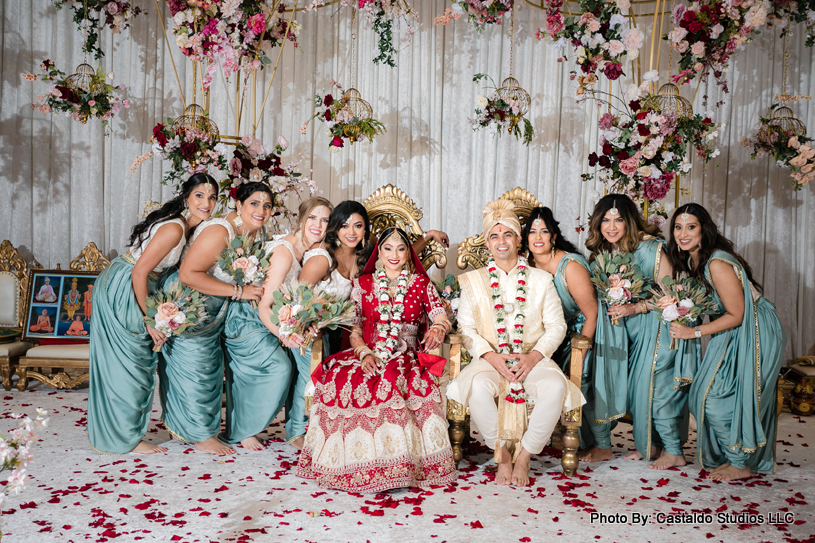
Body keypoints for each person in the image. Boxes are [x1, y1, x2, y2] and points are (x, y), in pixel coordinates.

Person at [296, 227, 456, 492]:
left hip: (407, 354)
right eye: (388, 248)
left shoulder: (421, 284)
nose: (394, 254)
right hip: (367, 351)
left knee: (392, 379)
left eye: (401, 248)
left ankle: (395, 467)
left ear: (408, 253)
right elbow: (355, 329)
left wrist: (439, 328)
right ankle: (354, 465)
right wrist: (364, 353)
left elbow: (440, 316)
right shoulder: (362, 284)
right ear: (379, 251)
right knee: (343, 377)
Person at [447, 200, 584, 487]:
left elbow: (557, 325)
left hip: (531, 359)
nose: (501, 241)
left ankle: (524, 456)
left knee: (556, 386)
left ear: (518, 240)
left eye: (507, 234)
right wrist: (490, 357)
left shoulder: (541, 279)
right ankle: (503, 457)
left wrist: (533, 357)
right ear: (487, 242)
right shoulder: (472, 281)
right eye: (494, 236)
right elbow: (467, 328)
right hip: (489, 361)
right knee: (477, 388)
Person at [87, 173, 218, 455]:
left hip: (139, 284)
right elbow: (139, 270)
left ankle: (122, 431)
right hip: (125, 286)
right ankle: (123, 438)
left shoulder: (191, 229)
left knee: (136, 362)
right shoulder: (175, 229)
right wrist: (150, 320)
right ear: (186, 198)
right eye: (199, 196)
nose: (206, 203)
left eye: (212, 197)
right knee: (130, 364)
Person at [667, 204, 785, 481]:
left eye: (691, 227)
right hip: (732, 329)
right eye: (678, 227)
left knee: (718, 398)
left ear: (704, 230)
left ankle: (739, 462)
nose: (683, 233)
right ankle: (737, 457)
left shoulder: (716, 263)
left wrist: (693, 333)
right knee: (705, 394)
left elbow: (737, 313)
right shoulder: (694, 261)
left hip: (755, 329)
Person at [586, 194, 695, 470]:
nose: (611, 226)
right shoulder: (606, 253)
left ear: (630, 221)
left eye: (619, 219)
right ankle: (652, 446)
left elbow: (671, 295)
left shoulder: (652, 248)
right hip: (631, 333)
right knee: (639, 391)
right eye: (606, 220)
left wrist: (636, 308)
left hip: (659, 327)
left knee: (655, 388)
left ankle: (674, 451)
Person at [159, 182, 268, 456]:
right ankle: (199, 434)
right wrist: (239, 291)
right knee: (196, 368)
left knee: (210, 368)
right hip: (189, 302)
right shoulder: (221, 231)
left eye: (267, 206)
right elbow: (188, 274)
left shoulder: (255, 233)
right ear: (238, 205)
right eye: (254, 203)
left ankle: (205, 428)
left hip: (216, 309)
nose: (261, 210)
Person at [223, 197, 332, 451]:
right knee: (278, 367)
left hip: (273, 317)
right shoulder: (285, 253)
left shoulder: (312, 251)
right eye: (313, 218)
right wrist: (283, 335)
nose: (318, 225)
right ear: (301, 218)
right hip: (248, 319)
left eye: (325, 220)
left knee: (304, 355)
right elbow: (263, 305)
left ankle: (297, 426)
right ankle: (244, 430)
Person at [521, 207, 608, 461]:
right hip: (551, 334)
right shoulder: (526, 265)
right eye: (532, 231)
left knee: (582, 375)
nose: (538, 237)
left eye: (544, 231)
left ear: (554, 236)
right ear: (525, 238)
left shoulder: (569, 266)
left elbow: (591, 313)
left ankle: (602, 444)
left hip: (582, 329)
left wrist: (582, 348)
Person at [284, 200, 367, 451]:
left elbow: (398, 250)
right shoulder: (322, 258)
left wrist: (428, 238)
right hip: (306, 329)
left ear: (366, 230)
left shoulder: (362, 258)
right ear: (335, 229)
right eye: (344, 225)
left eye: (358, 226)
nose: (351, 232)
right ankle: (296, 431)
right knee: (311, 374)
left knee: (328, 377)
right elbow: (298, 298)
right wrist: (307, 324)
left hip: (334, 332)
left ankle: (320, 426)